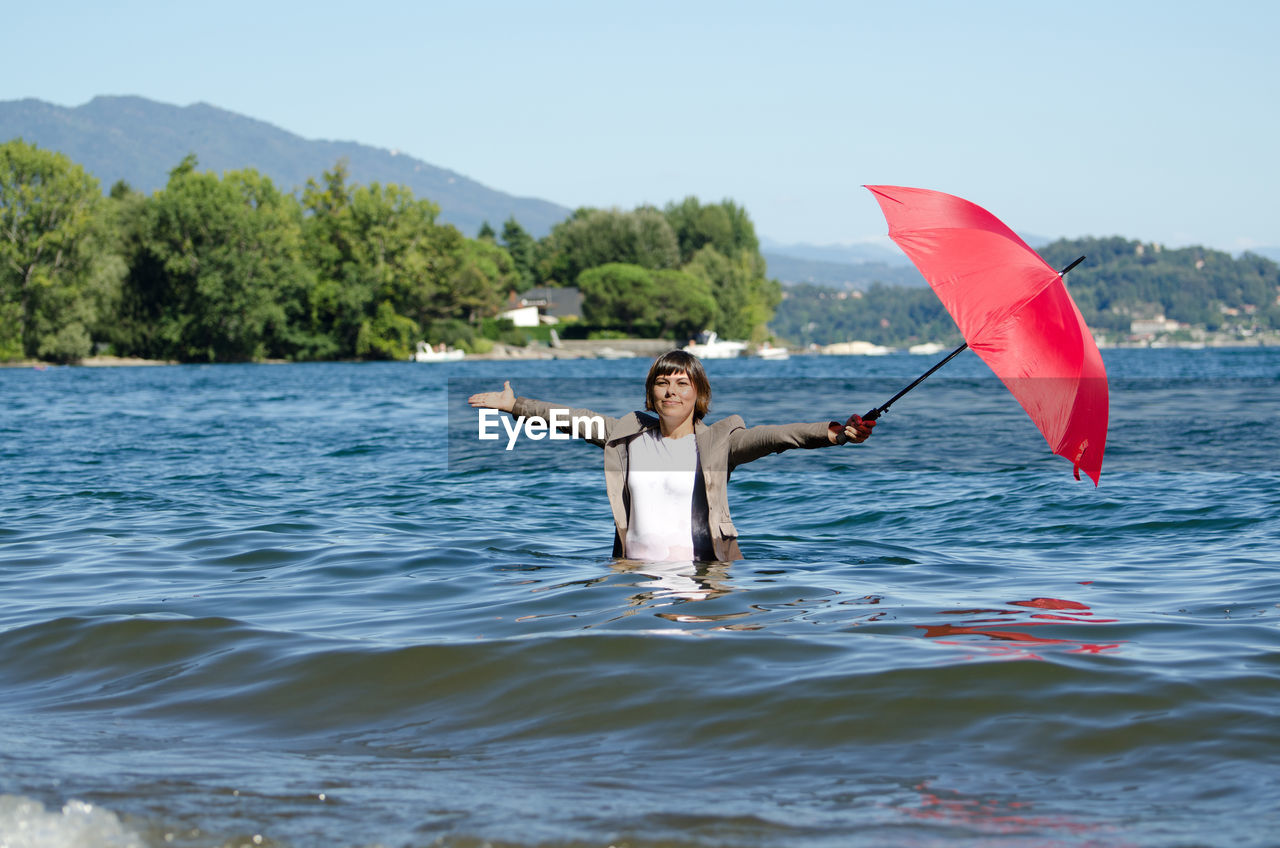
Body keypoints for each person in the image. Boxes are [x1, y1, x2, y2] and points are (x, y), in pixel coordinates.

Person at [467, 349, 874, 562]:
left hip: (707, 576)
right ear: (651, 394)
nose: (671, 392)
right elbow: (572, 419)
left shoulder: (720, 442)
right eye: (662, 383)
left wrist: (833, 432)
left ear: (699, 394)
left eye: (682, 383)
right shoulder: (625, 435)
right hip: (634, 576)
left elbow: (776, 437)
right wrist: (515, 405)